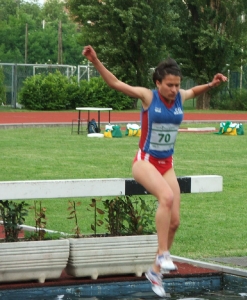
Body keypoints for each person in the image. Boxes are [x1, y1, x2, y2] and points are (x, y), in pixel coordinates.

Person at [82, 45, 227, 297]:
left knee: (175, 221)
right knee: (166, 198)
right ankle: (163, 253)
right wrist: (95, 61)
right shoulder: (148, 97)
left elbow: (194, 90)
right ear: (158, 82)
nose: (174, 90)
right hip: (144, 163)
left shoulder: (180, 96)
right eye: (169, 85)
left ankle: (155, 271)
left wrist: (212, 84)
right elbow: (116, 83)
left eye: (177, 85)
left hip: (166, 164)